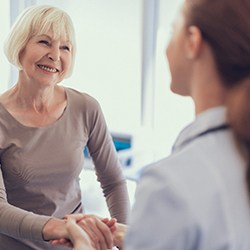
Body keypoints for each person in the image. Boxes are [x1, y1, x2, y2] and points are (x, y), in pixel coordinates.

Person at [58, 0, 250, 249]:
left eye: (173, 29)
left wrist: (84, 244)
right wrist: (138, 235)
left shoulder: (170, 185)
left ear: (193, 41)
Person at [0, 4, 130, 249]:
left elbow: (114, 183)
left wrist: (126, 240)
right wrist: (60, 227)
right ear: (20, 46)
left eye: (65, 47)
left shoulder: (86, 108)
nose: (55, 55)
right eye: (44, 42)